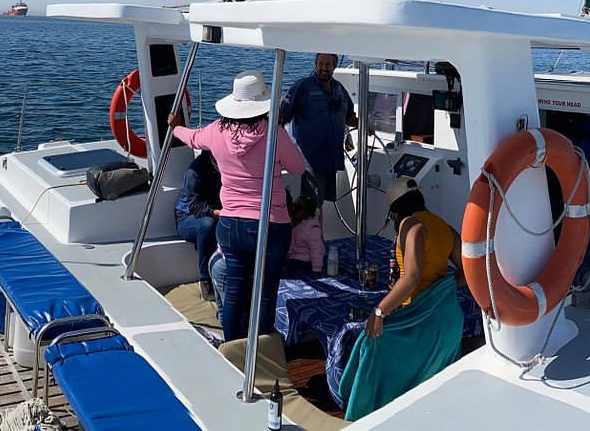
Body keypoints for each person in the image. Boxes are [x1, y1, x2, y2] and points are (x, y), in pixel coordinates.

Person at [169, 69, 308, 342]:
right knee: (266, 292)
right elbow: (298, 167)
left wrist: (174, 126)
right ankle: (261, 352)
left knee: (234, 291)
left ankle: (234, 350)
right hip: (269, 225)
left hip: (230, 225)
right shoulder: (274, 134)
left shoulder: (216, 131)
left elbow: (191, 137)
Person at [338, 178, 465, 421]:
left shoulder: (410, 225)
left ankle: (365, 417)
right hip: (448, 321)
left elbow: (413, 276)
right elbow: (468, 269)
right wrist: (442, 289)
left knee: (370, 346)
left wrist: (379, 312)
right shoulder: (445, 227)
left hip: (420, 323)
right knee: (432, 397)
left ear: (394, 211)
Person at [280, 53, 358, 205]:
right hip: (309, 162)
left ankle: (318, 229)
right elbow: (282, 117)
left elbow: (349, 116)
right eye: (321, 64)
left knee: (320, 205)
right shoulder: (302, 87)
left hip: (331, 160)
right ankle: (315, 229)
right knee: (311, 206)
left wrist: (364, 124)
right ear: (315, 64)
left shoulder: (340, 89)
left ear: (334, 66)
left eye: (328, 65)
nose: (324, 68)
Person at [174, 151, 223, 300]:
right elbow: (195, 206)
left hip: (219, 211)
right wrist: (221, 213)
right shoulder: (195, 171)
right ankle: (205, 279)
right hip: (188, 217)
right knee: (208, 225)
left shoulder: (230, 165)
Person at [283, 193, 325, 276]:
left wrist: (317, 268)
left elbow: (317, 248)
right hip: (292, 254)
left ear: (306, 215)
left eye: (298, 208)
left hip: (304, 257)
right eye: (293, 205)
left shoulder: (312, 230)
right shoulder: (292, 221)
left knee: (293, 265)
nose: (293, 209)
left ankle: (285, 270)